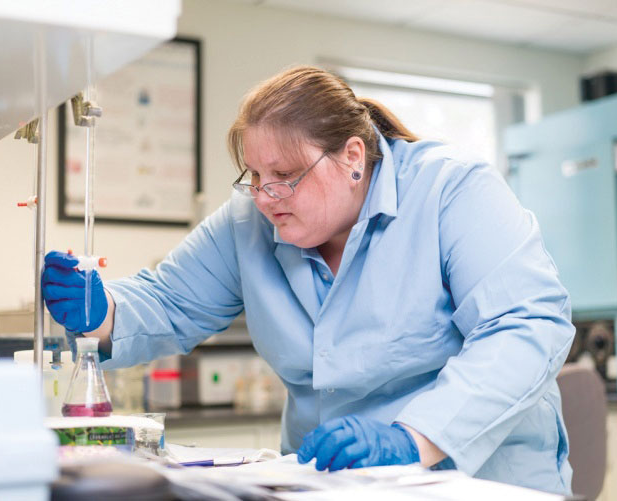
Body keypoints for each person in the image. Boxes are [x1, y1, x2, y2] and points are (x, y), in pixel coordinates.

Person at [42, 65, 574, 494]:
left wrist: (416, 437)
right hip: (333, 483)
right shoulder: (248, 220)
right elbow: (169, 301)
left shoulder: (452, 191)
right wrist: (104, 311)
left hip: (477, 477)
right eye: (255, 176)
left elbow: (527, 326)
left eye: (285, 176)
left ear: (353, 158)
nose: (267, 196)